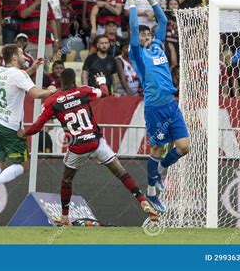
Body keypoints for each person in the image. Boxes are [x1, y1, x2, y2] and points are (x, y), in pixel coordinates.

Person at [18, 68, 158, 225]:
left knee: (66, 180)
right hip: (96, 141)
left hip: (78, 147)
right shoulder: (83, 91)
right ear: (74, 80)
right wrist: (102, 82)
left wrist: (24, 133)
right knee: (121, 172)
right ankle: (142, 200)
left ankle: (65, 217)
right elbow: (104, 93)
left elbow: (37, 127)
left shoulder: (53, 101)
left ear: (60, 82)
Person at [127, 0, 190, 212]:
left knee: (184, 147)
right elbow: (133, 29)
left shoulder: (158, 47)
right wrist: (132, 2)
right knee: (156, 148)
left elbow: (163, 21)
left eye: (147, 33)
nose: (145, 35)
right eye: (142, 34)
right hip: (154, 107)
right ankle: (151, 191)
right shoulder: (137, 54)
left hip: (172, 106)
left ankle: (160, 171)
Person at [0, 44, 57, 222]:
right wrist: (51, 91)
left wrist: (32, 69)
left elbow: (15, 80)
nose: (25, 55)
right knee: (23, 164)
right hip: (9, 128)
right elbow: (36, 94)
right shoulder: (18, 75)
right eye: (22, 53)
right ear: (14, 57)